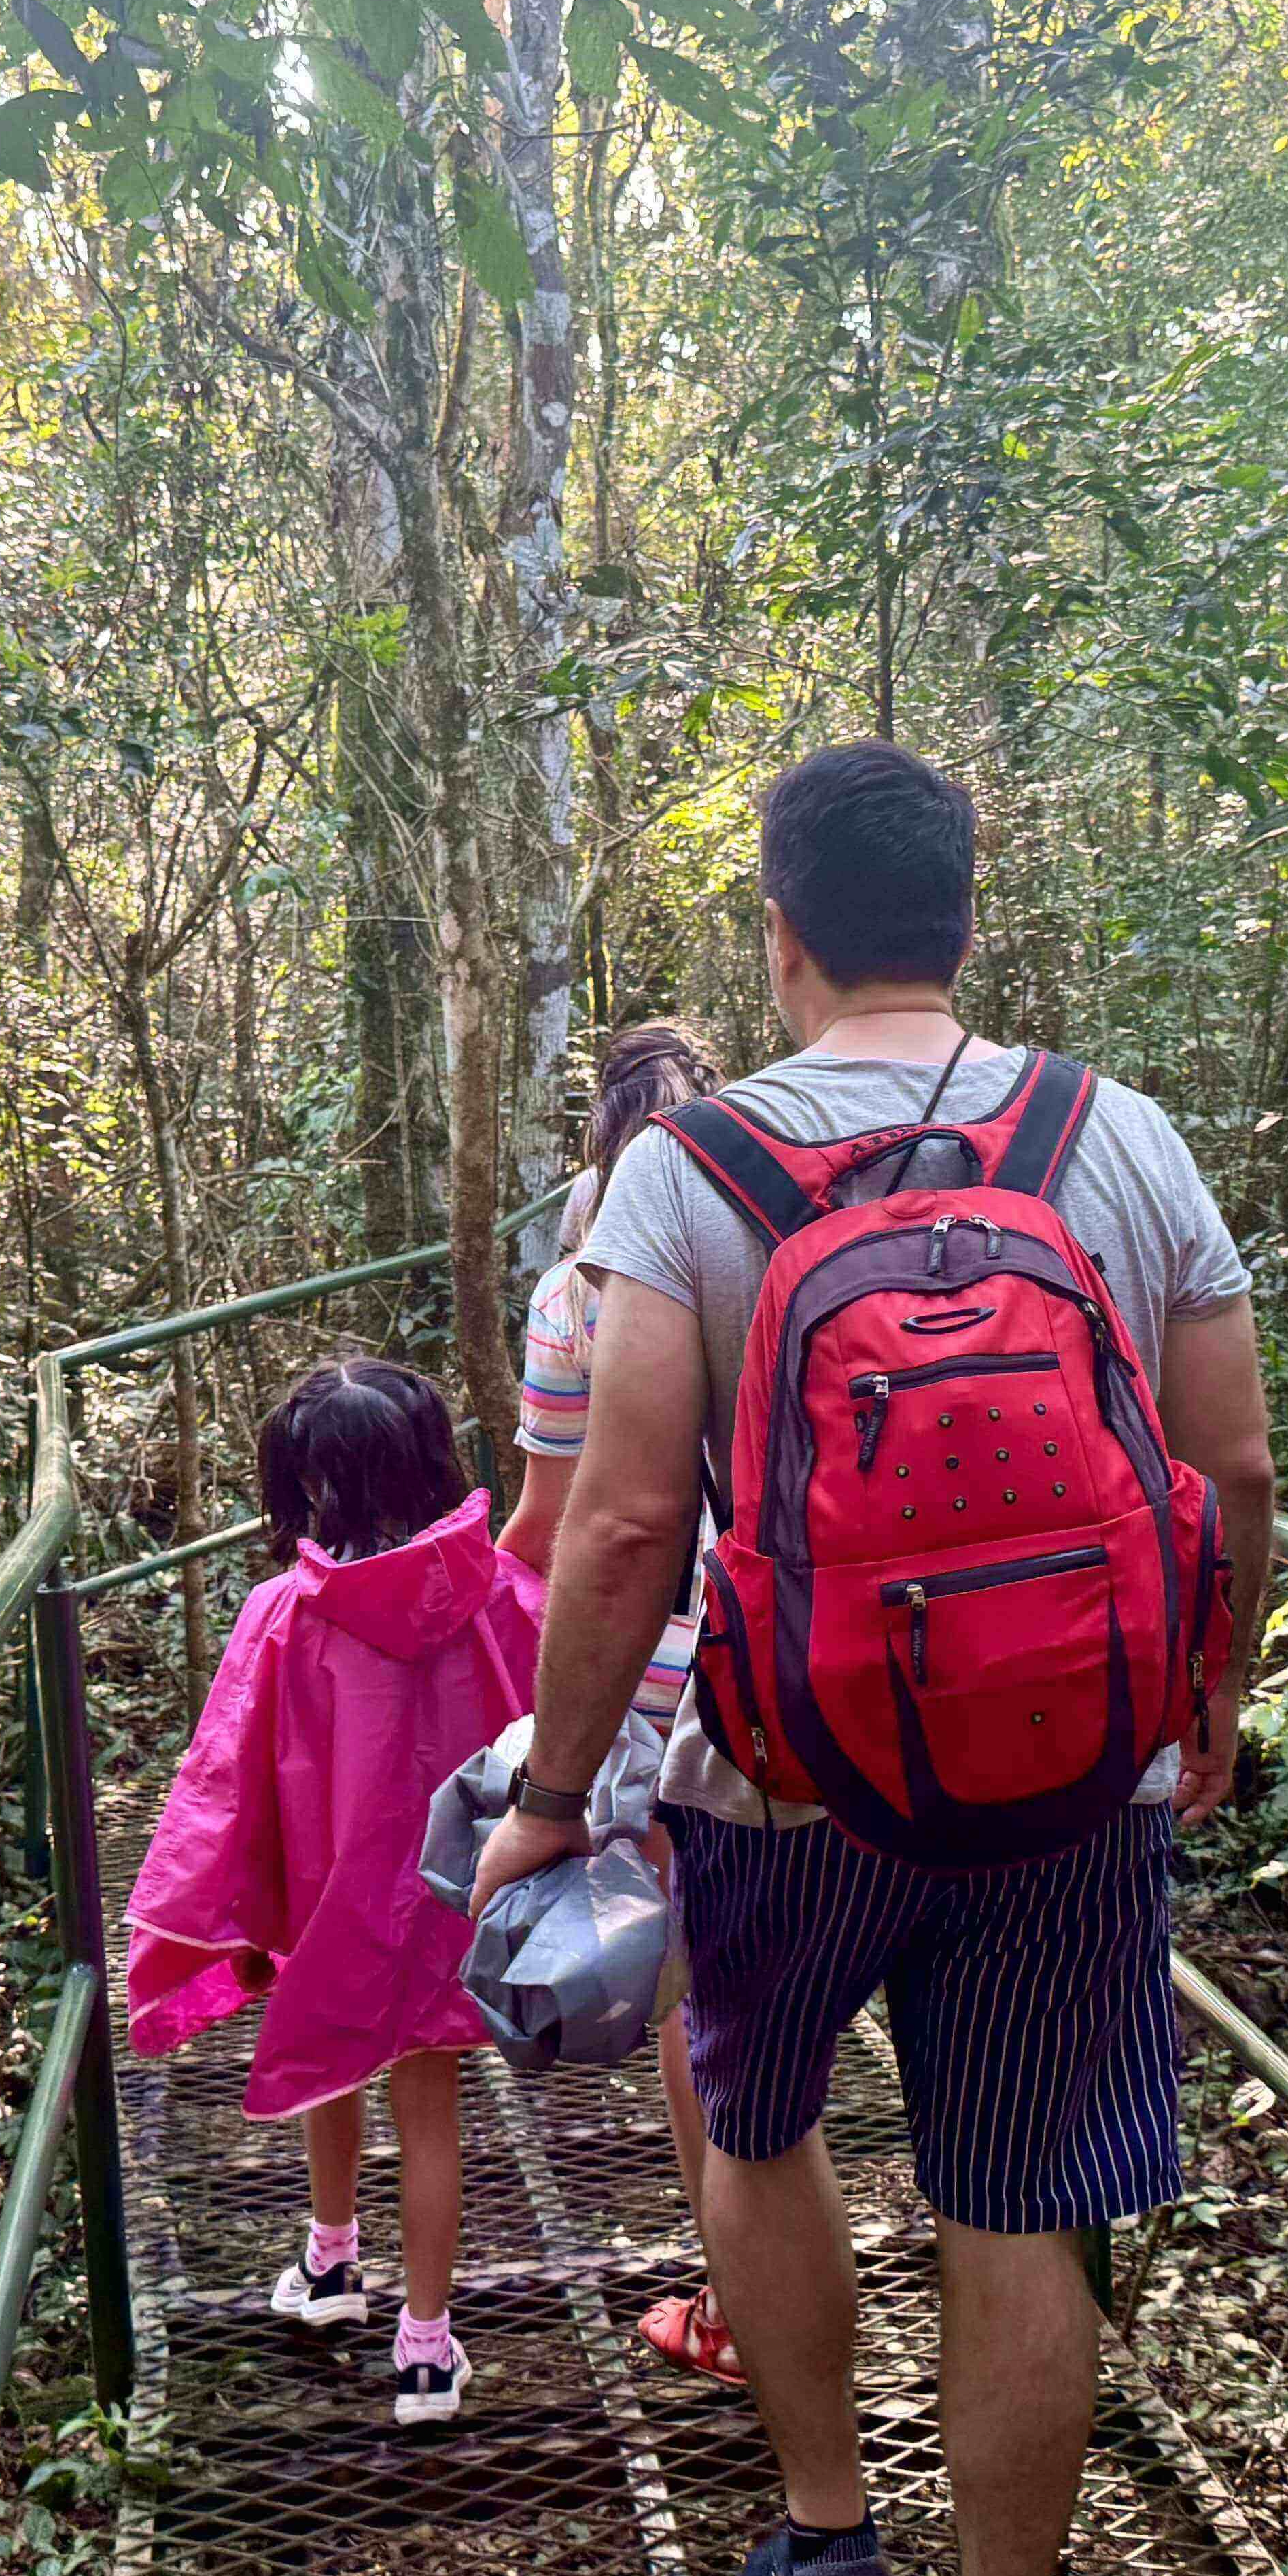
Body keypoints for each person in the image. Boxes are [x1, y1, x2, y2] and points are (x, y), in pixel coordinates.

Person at [470, 742, 1276, 2576]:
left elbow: (629, 1524)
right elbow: (1233, 1468)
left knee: (756, 2115)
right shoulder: (1120, 1137)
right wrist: (1211, 1698)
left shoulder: (690, 1170)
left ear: (784, 934)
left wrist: (561, 1794)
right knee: (1024, 2195)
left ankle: (829, 2546)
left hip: (781, 1775)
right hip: (1077, 1786)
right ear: (967, 918)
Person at [124, 1355, 544, 2426]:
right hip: (455, 1900)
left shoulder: (282, 1612)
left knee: (332, 2057)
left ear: (309, 1481)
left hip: (327, 1902)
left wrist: (221, 1904)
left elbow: (229, 1773)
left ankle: (329, 2265)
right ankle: (426, 2352)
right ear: (432, 1459)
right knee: (433, 2113)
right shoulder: (500, 1589)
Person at [499, 1020, 737, 2384]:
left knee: (697, 2009)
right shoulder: (775, 1220)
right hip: (800, 1659)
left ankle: (736, 2293)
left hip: (661, 1694)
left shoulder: (578, 1289)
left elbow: (553, 1524)